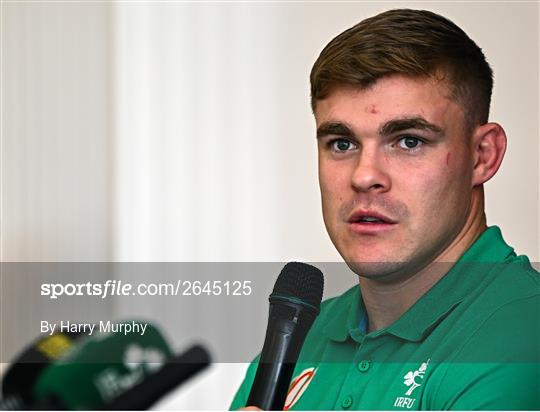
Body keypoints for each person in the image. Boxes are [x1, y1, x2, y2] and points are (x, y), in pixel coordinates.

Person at [230, 8, 539, 410]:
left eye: (409, 141)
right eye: (342, 143)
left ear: (482, 156)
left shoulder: (522, 333)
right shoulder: (301, 339)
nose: (364, 176)